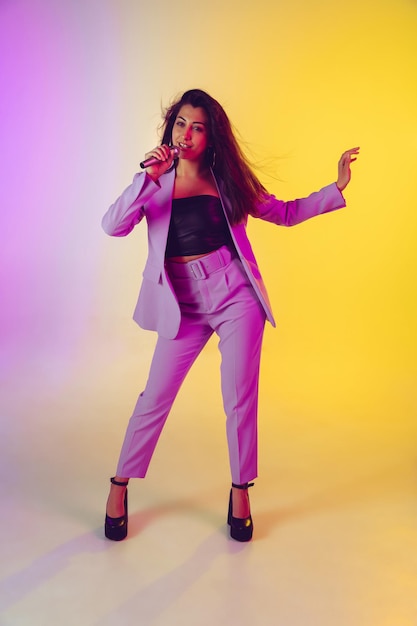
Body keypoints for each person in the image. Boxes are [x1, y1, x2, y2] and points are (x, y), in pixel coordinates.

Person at [102, 88, 359, 542]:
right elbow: (113, 225)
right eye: (181, 123)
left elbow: (283, 212)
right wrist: (146, 177)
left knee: (240, 396)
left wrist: (334, 189)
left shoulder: (228, 180)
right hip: (182, 304)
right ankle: (120, 483)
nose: (188, 134)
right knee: (154, 398)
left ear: (211, 135)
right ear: (170, 128)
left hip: (235, 294)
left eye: (198, 127)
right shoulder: (155, 183)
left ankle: (241, 488)